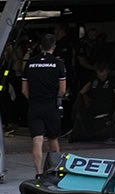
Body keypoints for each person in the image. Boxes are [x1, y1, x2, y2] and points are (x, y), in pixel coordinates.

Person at [22, 33, 66, 177]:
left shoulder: (30, 63)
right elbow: (62, 90)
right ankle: (56, 170)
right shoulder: (58, 64)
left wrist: (33, 99)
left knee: (37, 139)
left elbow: (24, 90)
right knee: (53, 138)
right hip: (51, 105)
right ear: (54, 46)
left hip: (35, 105)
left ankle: (39, 172)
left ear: (40, 46)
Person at [74, 62, 115, 141]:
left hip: (107, 109)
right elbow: (82, 92)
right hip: (93, 108)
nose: (101, 75)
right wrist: (86, 102)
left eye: (103, 72)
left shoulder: (112, 80)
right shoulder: (94, 79)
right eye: (99, 72)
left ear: (107, 71)